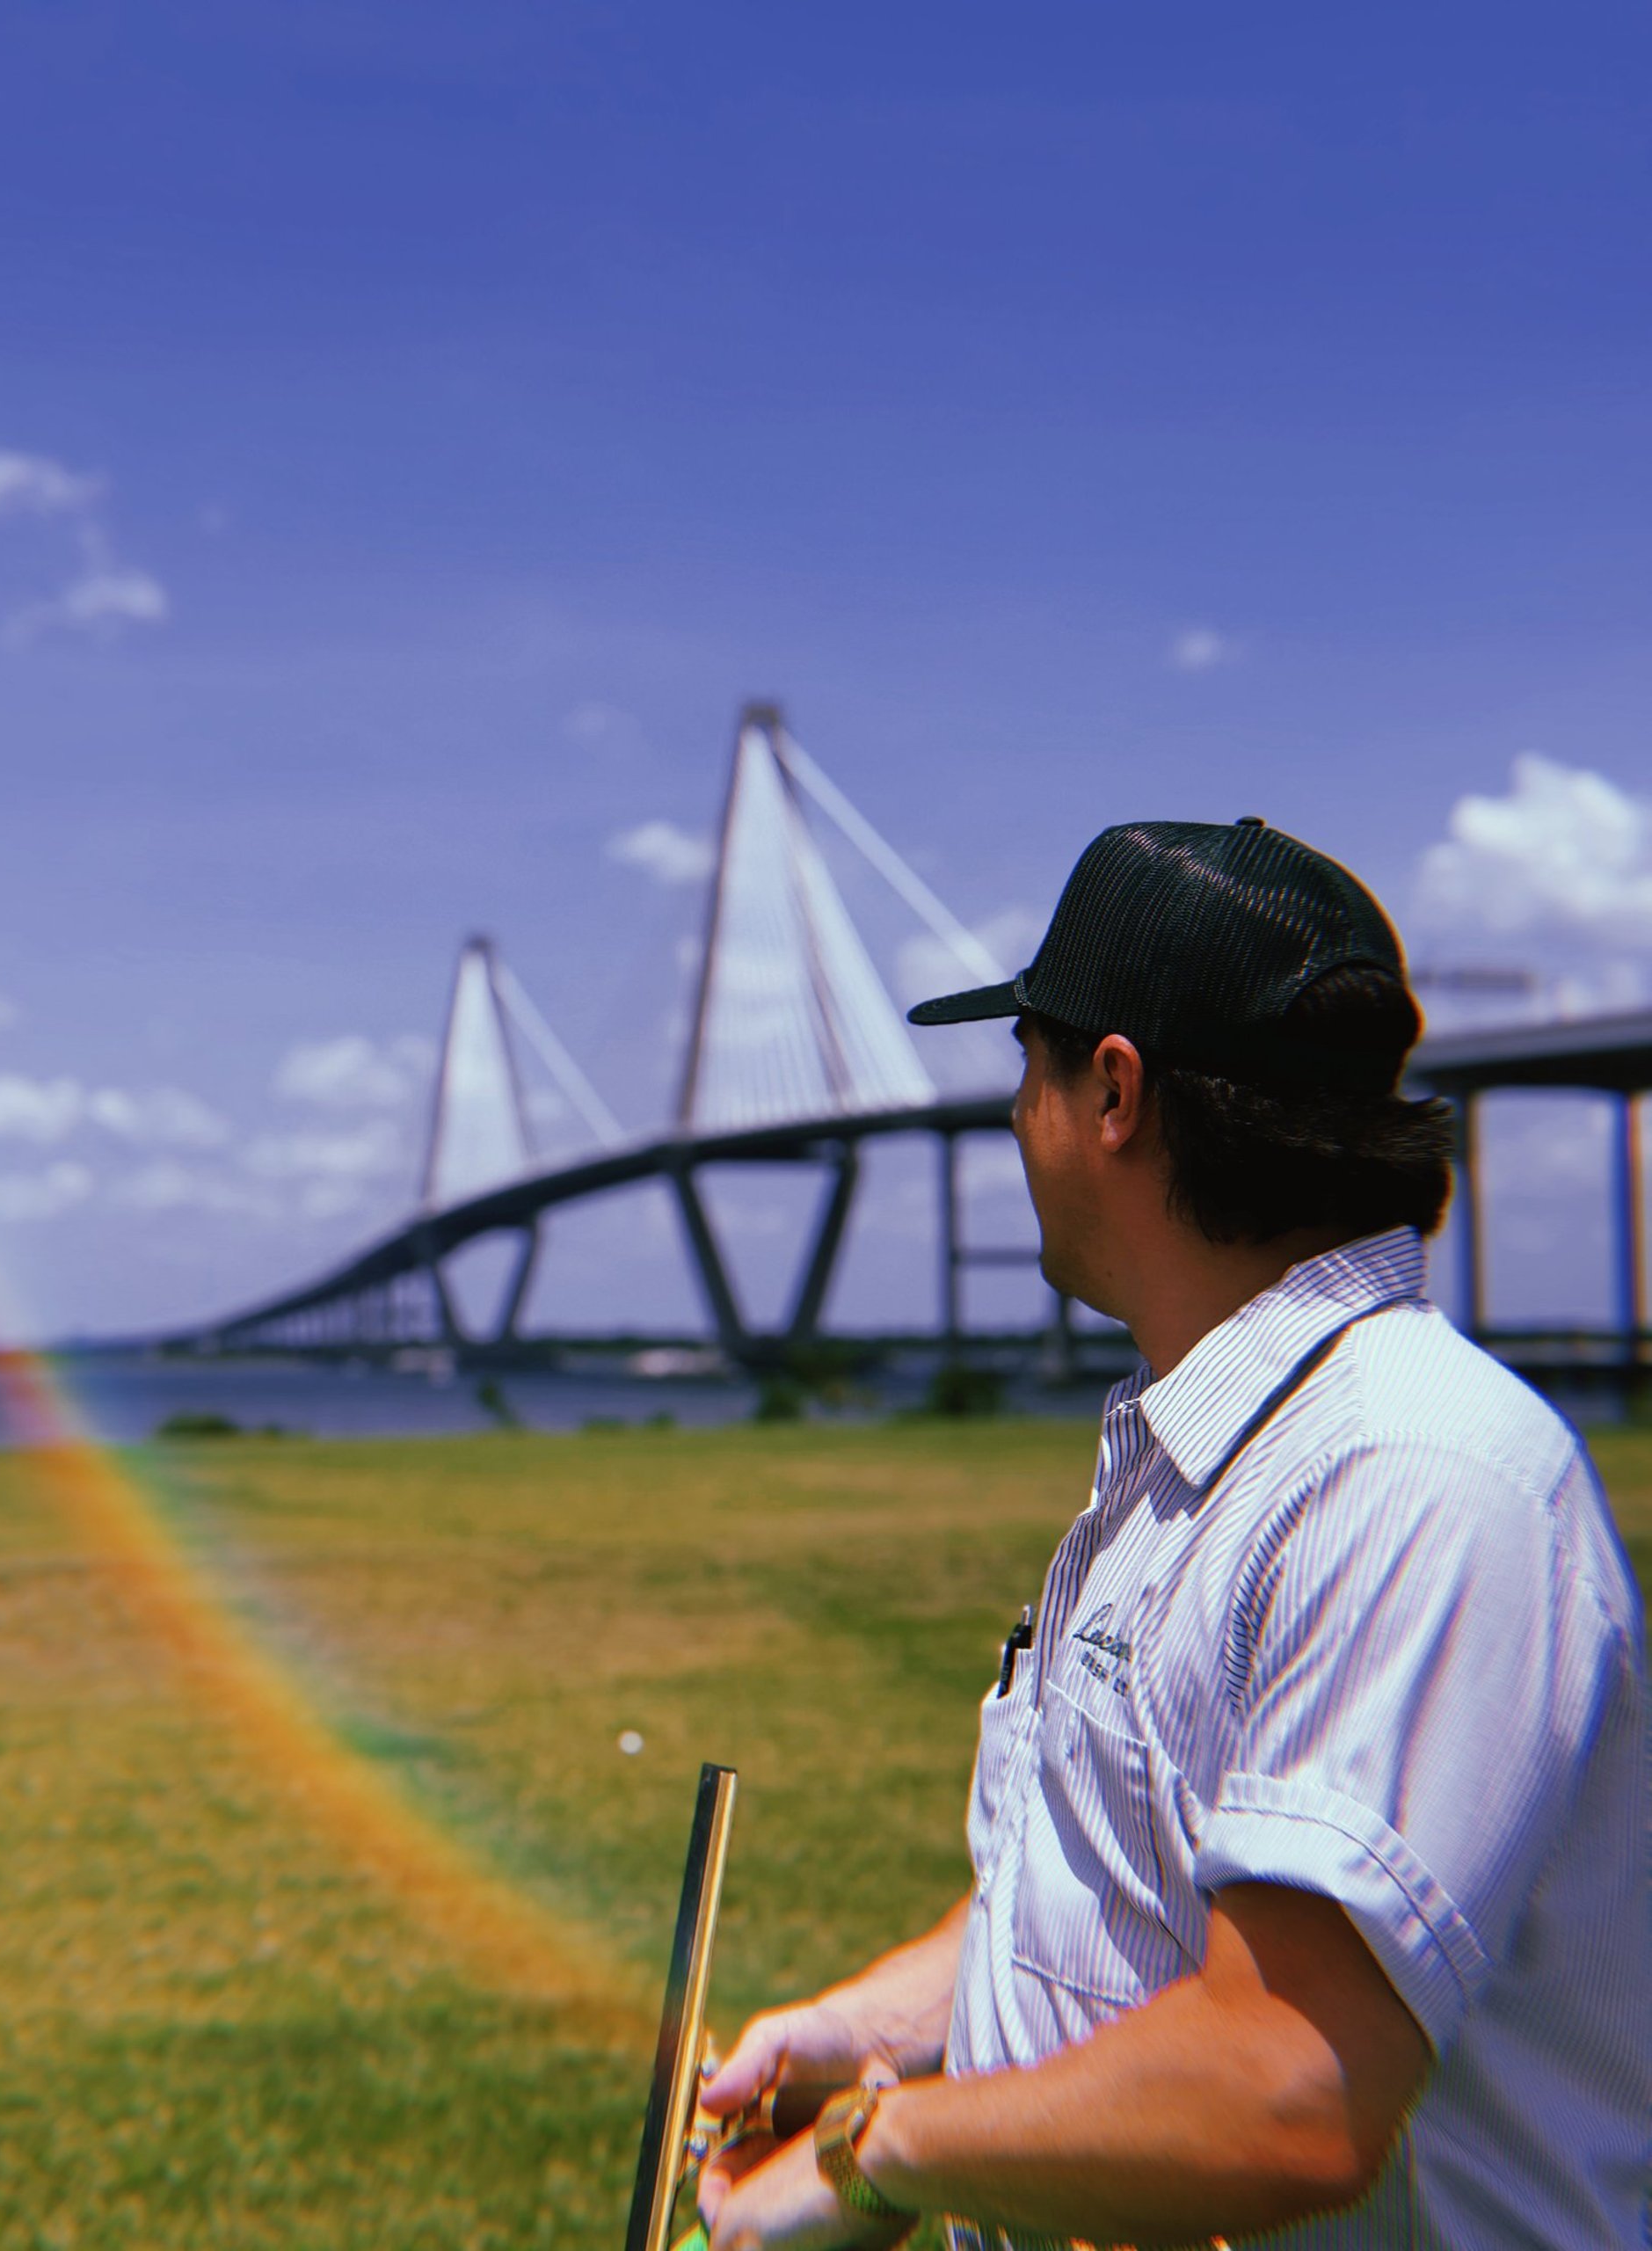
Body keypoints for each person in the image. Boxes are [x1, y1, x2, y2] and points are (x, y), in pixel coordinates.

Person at [697, 818, 1650, 2251]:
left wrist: (874, 2155)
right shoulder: (1201, 1455)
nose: (1013, 1119)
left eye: (1026, 1064)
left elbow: (1283, 2089)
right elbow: (1124, 1883)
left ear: (1113, 1091)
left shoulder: (1410, 1472)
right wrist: (878, 2029)